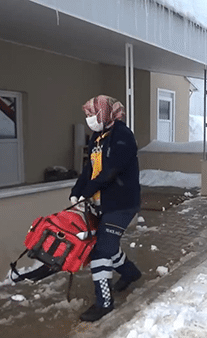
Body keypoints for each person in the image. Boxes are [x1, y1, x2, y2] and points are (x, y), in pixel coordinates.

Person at [70, 95, 142, 322]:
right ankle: (130, 272)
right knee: (107, 245)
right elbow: (88, 169)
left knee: (101, 249)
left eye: (93, 115)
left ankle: (104, 303)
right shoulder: (97, 137)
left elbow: (110, 171)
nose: (90, 119)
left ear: (105, 113)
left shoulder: (123, 136)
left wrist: (87, 191)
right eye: (88, 116)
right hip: (102, 203)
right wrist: (76, 191)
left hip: (122, 203)